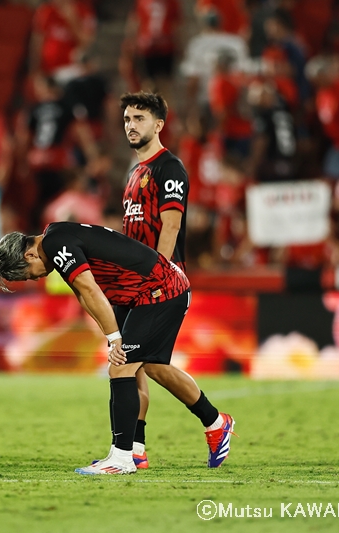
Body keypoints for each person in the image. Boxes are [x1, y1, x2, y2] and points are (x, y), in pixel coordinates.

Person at [0, 222, 235, 474]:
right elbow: (83, 295)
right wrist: (111, 334)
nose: (36, 277)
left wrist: (115, 337)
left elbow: (90, 289)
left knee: (121, 368)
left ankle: (122, 457)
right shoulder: (56, 239)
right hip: (141, 294)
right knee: (151, 368)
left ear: (29, 254)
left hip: (159, 290)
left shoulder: (55, 244)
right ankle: (210, 424)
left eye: (29, 273)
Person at [119, 91, 191, 468]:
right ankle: (136, 449)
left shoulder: (169, 168)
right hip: (134, 283)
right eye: (128, 118)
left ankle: (132, 450)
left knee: (132, 363)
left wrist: (157, 275)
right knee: (140, 367)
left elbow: (172, 223)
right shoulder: (133, 174)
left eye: (140, 118)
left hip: (158, 283)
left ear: (159, 124)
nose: (131, 125)